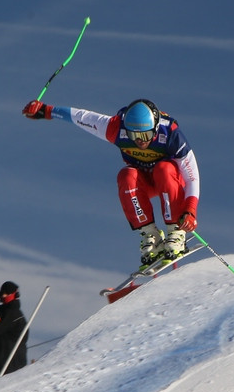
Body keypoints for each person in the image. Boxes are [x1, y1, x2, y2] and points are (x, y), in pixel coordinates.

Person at [22, 98, 200, 267]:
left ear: (154, 128)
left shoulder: (170, 133)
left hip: (169, 183)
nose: (140, 141)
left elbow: (191, 176)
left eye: (145, 135)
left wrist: (190, 210)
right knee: (126, 176)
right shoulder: (116, 128)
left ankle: (175, 231)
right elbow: (81, 117)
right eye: (134, 135)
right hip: (144, 184)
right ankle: (150, 234)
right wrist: (46, 111)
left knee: (164, 169)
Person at [0, 281, 27, 379]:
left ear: (14, 295)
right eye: (2, 293)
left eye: (7, 294)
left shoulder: (13, 314)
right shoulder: (2, 311)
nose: (3, 296)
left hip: (10, 363)